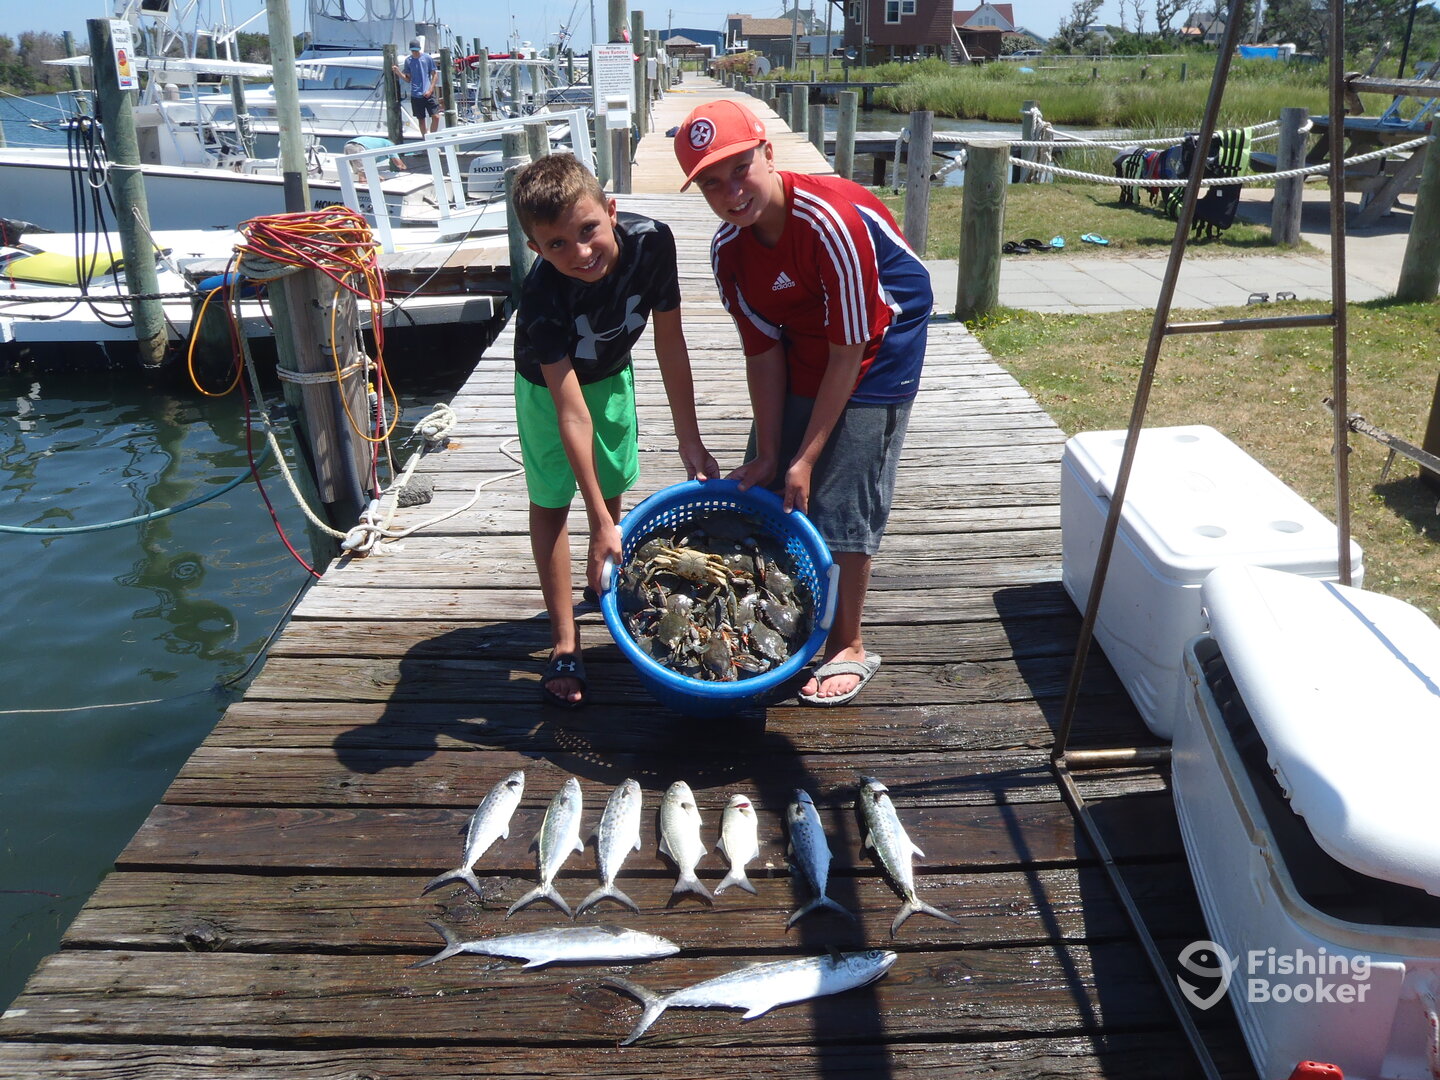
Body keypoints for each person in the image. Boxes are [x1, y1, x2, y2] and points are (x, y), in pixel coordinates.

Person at [673, 99, 931, 706]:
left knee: (839, 490)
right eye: (711, 183)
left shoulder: (828, 222)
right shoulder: (727, 251)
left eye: (739, 169)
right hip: (806, 334)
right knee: (767, 481)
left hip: (879, 341)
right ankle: (772, 616)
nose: (731, 191)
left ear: (768, 152)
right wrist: (770, 452)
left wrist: (807, 458)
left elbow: (850, 351)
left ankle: (848, 644)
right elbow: (763, 353)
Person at [511, 153, 718, 708]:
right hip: (548, 390)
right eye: (557, 245)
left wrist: (689, 437)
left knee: (611, 480)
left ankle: (595, 574)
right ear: (535, 249)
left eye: (588, 230)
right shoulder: (540, 297)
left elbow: (669, 343)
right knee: (553, 500)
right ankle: (563, 640)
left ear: (611, 210)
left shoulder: (653, 242)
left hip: (611, 373)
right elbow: (570, 412)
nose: (579, 253)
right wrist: (602, 520)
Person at [391, 39, 440, 134]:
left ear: (419, 49)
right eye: (413, 50)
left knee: (436, 117)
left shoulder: (427, 58)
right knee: (421, 121)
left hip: (428, 93)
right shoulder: (408, 61)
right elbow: (408, 79)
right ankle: (426, 142)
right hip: (416, 95)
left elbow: (435, 75)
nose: (415, 52)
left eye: (416, 50)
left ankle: (432, 139)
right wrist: (398, 72)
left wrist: (430, 90)